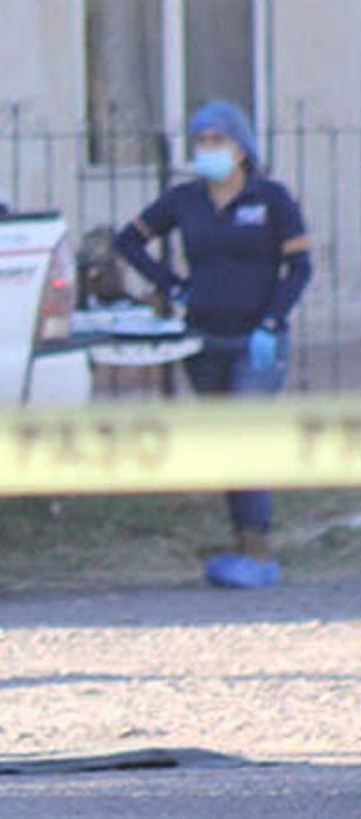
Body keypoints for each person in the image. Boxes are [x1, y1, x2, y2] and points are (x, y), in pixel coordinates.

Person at [115, 101, 312, 590]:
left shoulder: (271, 199)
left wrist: (273, 320)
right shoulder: (185, 200)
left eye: (218, 141)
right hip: (203, 339)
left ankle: (257, 544)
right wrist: (172, 286)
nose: (209, 150)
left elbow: (300, 267)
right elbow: (128, 242)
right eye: (201, 141)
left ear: (242, 149)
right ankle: (240, 538)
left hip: (256, 339)